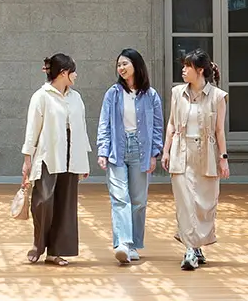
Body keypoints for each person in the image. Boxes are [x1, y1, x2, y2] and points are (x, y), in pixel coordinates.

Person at [21, 53, 92, 266]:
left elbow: (82, 129)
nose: (76, 75)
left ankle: (56, 251)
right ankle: (38, 244)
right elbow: (32, 130)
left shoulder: (76, 97)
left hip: (72, 157)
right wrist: (27, 159)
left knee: (65, 205)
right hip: (48, 156)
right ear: (63, 73)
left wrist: (84, 161)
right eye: (73, 72)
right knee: (43, 201)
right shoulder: (41, 96)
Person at [96, 49, 163, 266]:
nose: (121, 68)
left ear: (136, 65)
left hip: (141, 150)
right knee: (119, 197)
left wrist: (155, 154)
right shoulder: (112, 94)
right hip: (118, 147)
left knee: (138, 201)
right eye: (119, 65)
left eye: (125, 63)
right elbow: (104, 124)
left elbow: (157, 128)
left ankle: (134, 245)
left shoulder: (151, 95)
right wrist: (102, 151)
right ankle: (122, 244)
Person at [163, 49, 229, 271]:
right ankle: (190, 250)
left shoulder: (218, 97)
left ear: (199, 70)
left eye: (187, 66)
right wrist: (165, 150)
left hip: (207, 154)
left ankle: (197, 246)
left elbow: (220, 131)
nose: (183, 70)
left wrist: (223, 158)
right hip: (181, 152)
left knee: (203, 204)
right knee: (185, 203)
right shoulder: (176, 93)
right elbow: (171, 124)